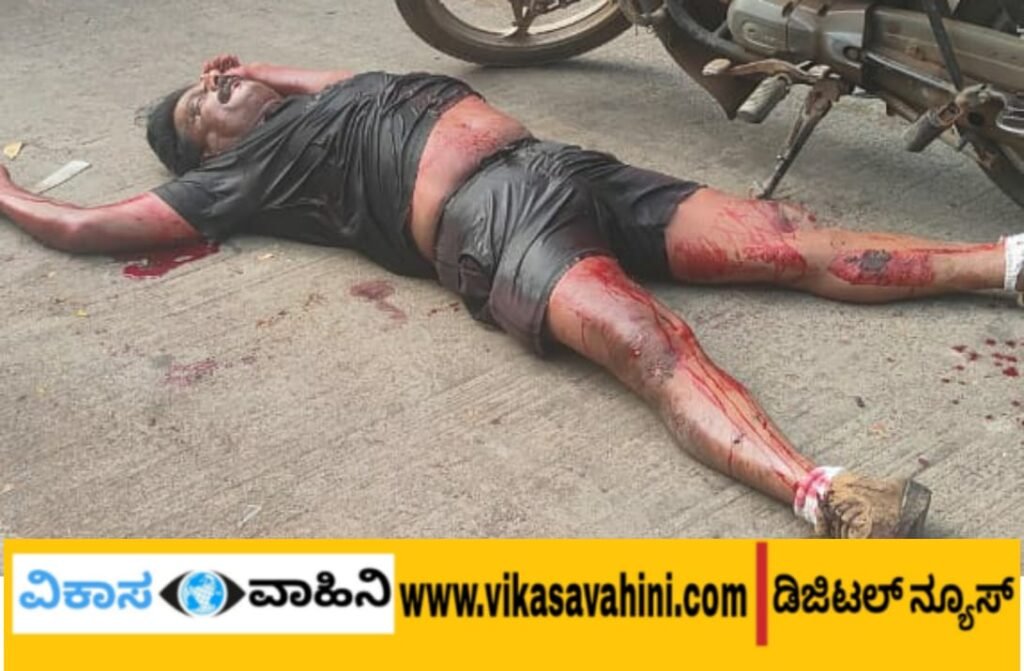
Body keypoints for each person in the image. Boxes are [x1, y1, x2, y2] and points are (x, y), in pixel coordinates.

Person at [3, 56, 1022, 538]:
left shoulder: (331, 94)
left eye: (216, 75)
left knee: (788, 241)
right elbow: (87, 225)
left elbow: (319, 80)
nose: (217, 83)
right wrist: (8, 192)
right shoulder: (243, 175)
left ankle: (1006, 263)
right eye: (202, 102)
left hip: (567, 166)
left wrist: (257, 68)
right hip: (494, 223)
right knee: (648, 341)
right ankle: (824, 494)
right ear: (208, 150)